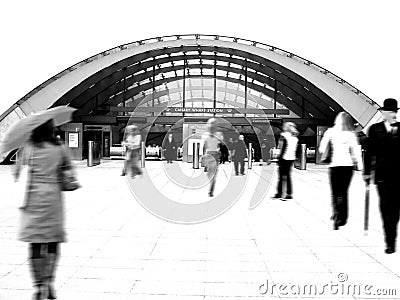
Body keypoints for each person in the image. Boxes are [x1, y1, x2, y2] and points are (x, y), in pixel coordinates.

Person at [13, 119, 74, 300]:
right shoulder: (59, 147)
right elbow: (69, 172)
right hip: (53, 200)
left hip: (31, 200)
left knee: (36, 244)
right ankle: (49, 280)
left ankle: (39, 285)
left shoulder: (28, 148)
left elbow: (17, 173)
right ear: (51, 129)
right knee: (53, 241)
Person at [364, 98, 400, 254]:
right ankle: (389, 241)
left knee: (396, 210)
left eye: (394, 111)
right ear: (383, 113)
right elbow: (369, 153)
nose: (392, 113)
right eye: (389, 111)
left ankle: (392, 235)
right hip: (382, 176)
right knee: (386, 208)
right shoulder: (374, 129)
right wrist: (366, 172)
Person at [319, 112, 363, 230]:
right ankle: (343, 217)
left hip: (334, 166)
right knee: (344, 192)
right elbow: (356, 152)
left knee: (335, 192)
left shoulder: (330, 132)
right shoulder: (351, 135)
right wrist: (360, 166)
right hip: (348, 167)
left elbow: (322, 148)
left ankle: (336, 213)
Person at [272, 122, 299, 200]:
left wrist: (278, 158)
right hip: (291, 159)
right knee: (288, 176)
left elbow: (281, 148)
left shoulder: (283, 136)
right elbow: (296, 149)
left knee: (281, 177)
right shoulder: (295, 137)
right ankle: (289, 194)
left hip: (284, 158)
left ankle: (279, 193)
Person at [203, 118, 222, 197]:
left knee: (210, 174)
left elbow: (205, 146)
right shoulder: (217, 135)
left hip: (210, 154)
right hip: (212, 154)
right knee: (211, 174)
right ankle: (211, 188)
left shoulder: (207, 135)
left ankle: (210, 190)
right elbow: (219, 145)